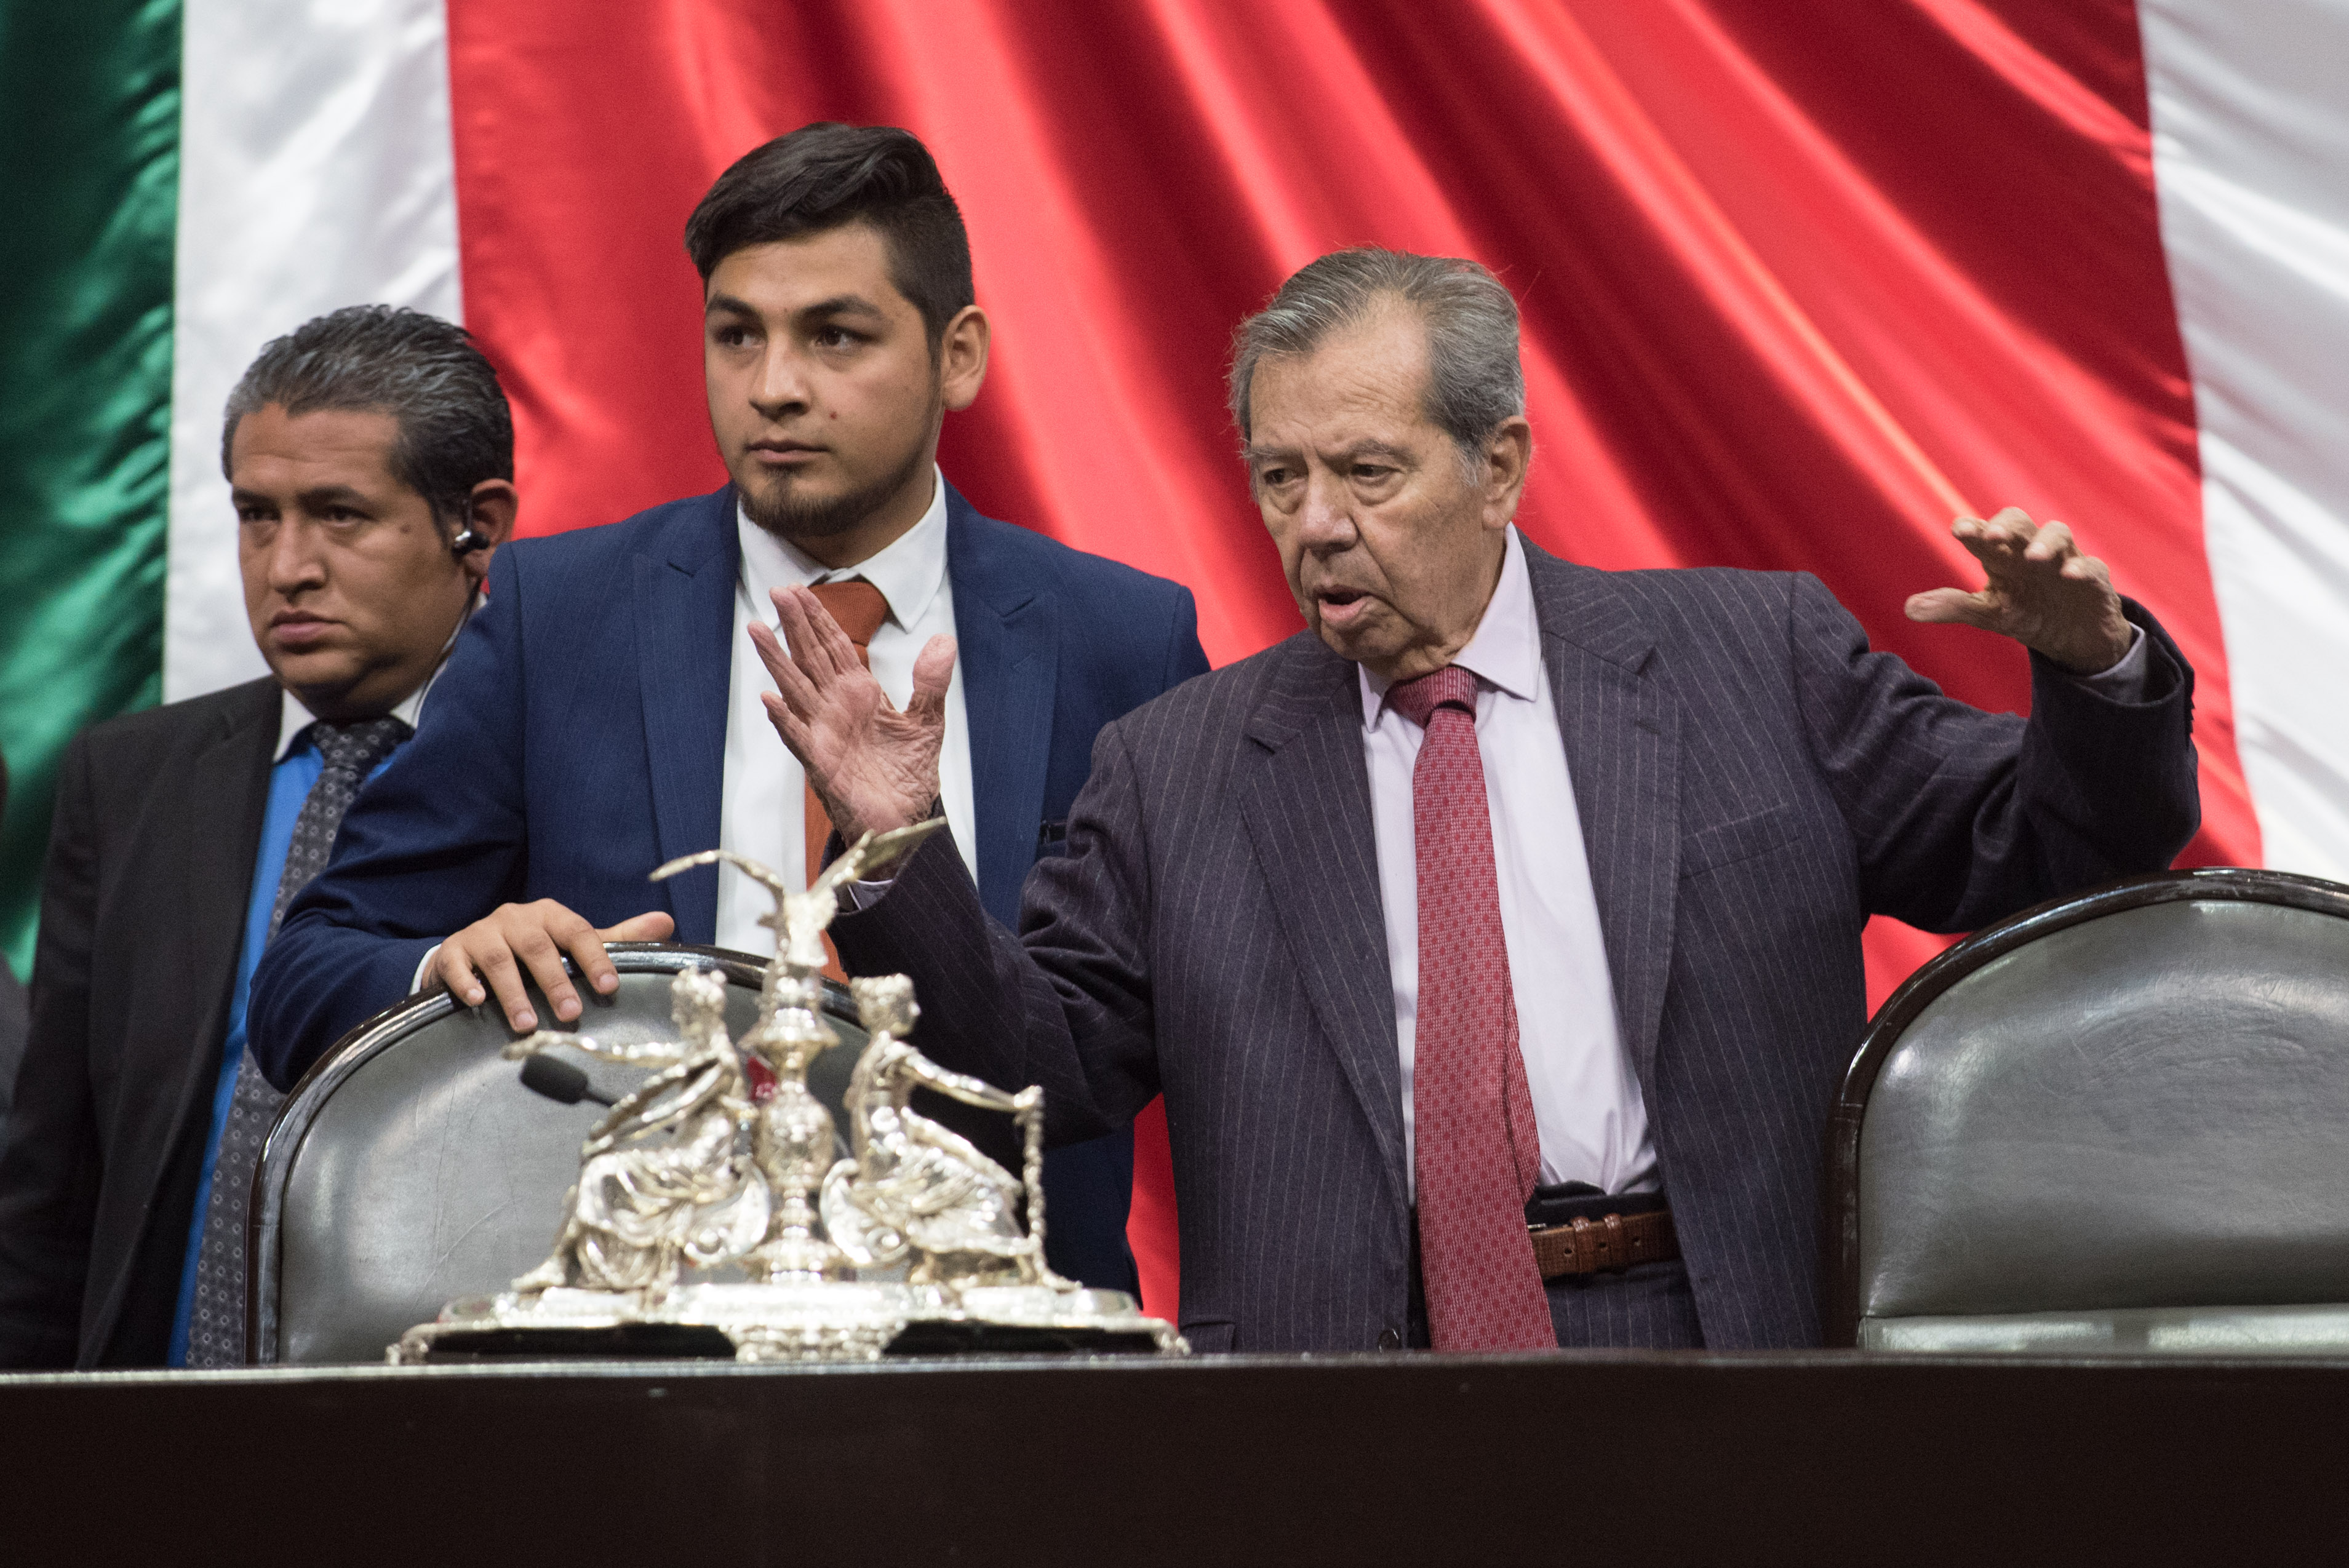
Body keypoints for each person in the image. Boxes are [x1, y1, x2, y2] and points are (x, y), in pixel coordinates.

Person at [765, 249, 2201, 1353]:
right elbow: (1033, 1075)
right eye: (1280, 478)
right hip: (1339, 1381)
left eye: (1366, 472)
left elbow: (2050, 856)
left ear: (1498, 465)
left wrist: (2094, 667)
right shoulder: (1176, 766)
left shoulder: (1750, 660)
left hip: (1718, 1346)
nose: (1316, 522)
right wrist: (896, 844)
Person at [249, 124, 1210, 1294]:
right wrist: (448, 963)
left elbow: (1125, 1054)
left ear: (958, 356)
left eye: (835, 336)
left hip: (993, 1356)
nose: (773, 387)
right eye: (736, 334)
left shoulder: (1121, 638)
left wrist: (900, 860)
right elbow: (302, 981)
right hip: (623, 1354)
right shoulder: (560, 617)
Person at [0, 306, 517, 1368]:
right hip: (150, 1433)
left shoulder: (567, 771)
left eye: (340, 516)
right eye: (256, 515)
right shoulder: (131, 778)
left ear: (479, 525)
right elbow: (52, 1188)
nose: (288, 567)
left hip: (447, 1443)